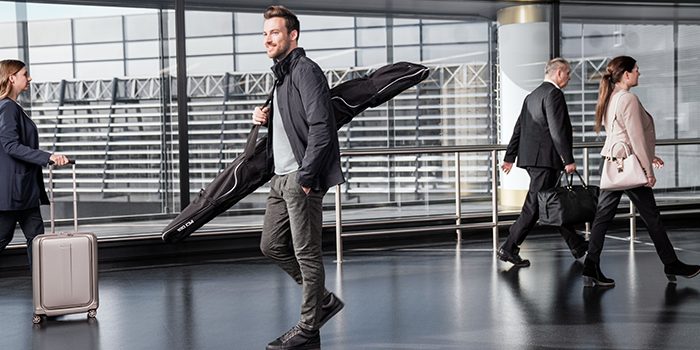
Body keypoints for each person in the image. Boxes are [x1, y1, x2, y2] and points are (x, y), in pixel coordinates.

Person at [252, 6, 345, 350]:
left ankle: (309, 328)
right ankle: (323, 300)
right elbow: (291, 122)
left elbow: (322, 126)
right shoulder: (280, 75)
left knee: (307, 253)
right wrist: (264, 116)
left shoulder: (306, 71)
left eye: (274, 32)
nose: (267, 39)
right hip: (280, 177)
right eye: (264, 34)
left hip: (300, 178)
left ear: (293, 35)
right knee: (271, 246)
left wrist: (306, 176)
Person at [582, 56, 700, 287]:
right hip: (630, 167)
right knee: (652, 218)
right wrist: (648, 171)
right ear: (626, 74)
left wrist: (648, 155)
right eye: (636, 70)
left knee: (602, 219)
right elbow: (635, 137)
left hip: (614, 164)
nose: (639, 73)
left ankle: (590, 266)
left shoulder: (611, 97)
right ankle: (671, 263)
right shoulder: (628, 99)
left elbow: (622, 134)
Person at [498, 57, 588, 267]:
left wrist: (510, 157)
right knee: (534, 207)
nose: (569, 77)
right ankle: (509, 247)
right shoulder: (553, 94)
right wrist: (568, 159)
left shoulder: (532, 96)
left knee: (550, 202)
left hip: (532, 160)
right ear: (558, 73)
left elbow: (519, 127)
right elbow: (557, 130)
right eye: (568, 73)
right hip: (546, 161)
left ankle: (577, 245)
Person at [0, 59, 70, 264]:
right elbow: (10, 146)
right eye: (25, 74)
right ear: (12, 78)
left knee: (38, 239)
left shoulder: (12, 107)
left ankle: (45, 287)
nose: (29, 78)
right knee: (5, 237)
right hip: (13, 192)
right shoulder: (7, 108)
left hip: (24, 191)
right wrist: (47, 157)